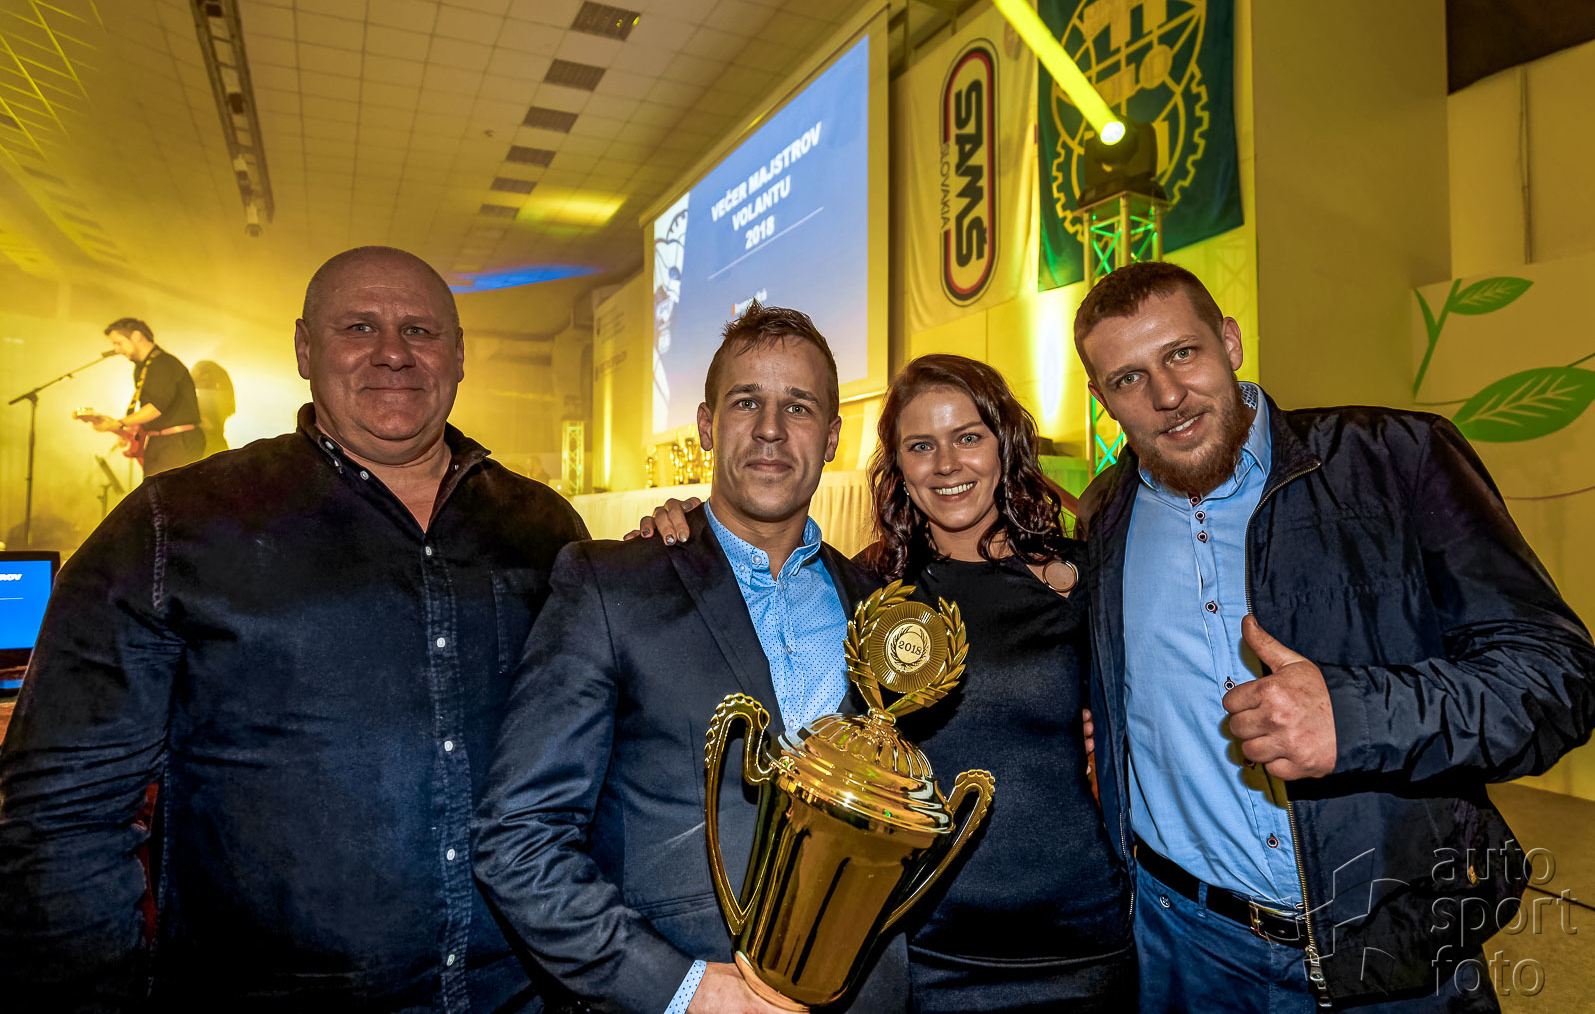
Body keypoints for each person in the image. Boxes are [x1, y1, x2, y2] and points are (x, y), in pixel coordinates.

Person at [0, 246, 588, 1011]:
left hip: (518, 996)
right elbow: (61, 817)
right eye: (358, 327)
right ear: (305, 348)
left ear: (459, 354)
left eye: (419, 329)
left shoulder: (543, 527)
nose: (392, 351)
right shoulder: (176, 525)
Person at [1073, 260, 1595, 1012]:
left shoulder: (1395, 459)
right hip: (1186, 946)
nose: (1166, 395)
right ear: (1102, 400)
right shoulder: (1102, 519)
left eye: (1182, 353)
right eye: (1128, 378)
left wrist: (1353, 717)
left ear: (1230, 342)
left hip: (1393, 940)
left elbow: (1557, 675)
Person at [634, 356, 1135, 1013]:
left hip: (1078, 940)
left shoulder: (1078, 578)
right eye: (920, 446)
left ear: (1004, 442)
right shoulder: (866, 590)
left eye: (968, 436)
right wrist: (685, 529)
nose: (947, 464)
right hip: (919, 947)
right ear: (897, 466)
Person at [472, 304, 908, 1014]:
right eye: (746, 402)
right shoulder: (610, 586)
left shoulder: (883, 609)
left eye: (798, 406)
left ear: (832, 436)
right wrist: (681, 989)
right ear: (707, 426)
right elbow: (519, 835)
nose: (771, 428)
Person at [92, 318, 206, 475]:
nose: (116, 350)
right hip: (159, 442)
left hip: (177, 441)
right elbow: (149, 409)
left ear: (137, 336)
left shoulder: (163, 364)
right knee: (155, 489)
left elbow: (155, 408)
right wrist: (127, 429)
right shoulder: (142, 368)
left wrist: (120, 423)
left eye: (119, 343)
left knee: (169, 490)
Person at [190, 358, 236, 456]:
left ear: (205, 377)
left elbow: (209, 425)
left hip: (209, 451)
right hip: (217, 449)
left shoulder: (208, 400)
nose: (189, 376)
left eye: (193, 372)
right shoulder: (220, 398)